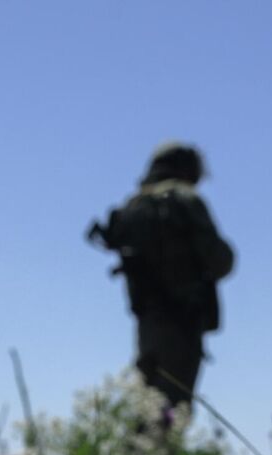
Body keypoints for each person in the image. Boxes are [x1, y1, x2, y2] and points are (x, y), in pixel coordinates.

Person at [88, 142, 235, 412]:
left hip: (147, 324)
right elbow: (220, 261)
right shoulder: (185, 199)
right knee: (172, 414)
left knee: (148, 408)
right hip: (182, 321)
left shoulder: (134, 205)